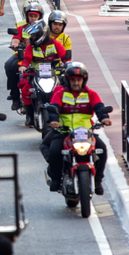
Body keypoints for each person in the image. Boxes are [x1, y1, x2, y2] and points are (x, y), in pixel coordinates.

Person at [42, 62, 112, 195]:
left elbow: (99, 107)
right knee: (55, 150)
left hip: (86, 134)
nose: (76, 83)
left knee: (102, 149)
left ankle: (97, 181)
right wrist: (54, 121)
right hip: (65, 132)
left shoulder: (91, 94)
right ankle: (56, 179)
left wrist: (104, 118)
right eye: (73, 80)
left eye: (78, 80)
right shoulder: (60, 93)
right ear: (68, 80)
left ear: (83, 80)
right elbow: (54, 108)